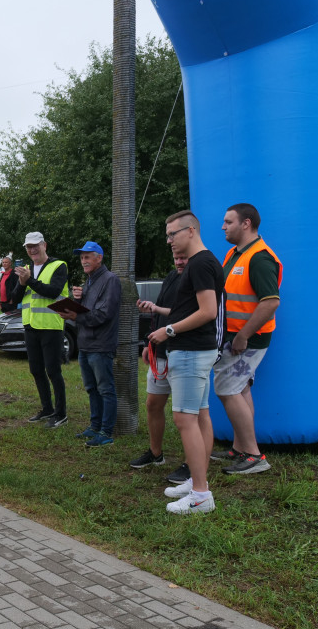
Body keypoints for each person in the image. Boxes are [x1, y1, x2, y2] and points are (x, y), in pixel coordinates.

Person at [147, 210, 225, 515]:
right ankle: (197, 479)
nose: (169, 241)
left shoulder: (202, 263)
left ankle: (201, 494)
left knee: (185, 420)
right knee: (200, 415)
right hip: (193, 351)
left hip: (191, 352)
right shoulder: (198, 263)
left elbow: (208, 311)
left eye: (172, 234)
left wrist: (168, 331)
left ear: (191, 231)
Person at [212, 203, 281, 475]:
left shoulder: (260, 258)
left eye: (228, 222)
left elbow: (271, 302)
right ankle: (241, 448)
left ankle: (254, 456)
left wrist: (243, 335)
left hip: (247, 340)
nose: (223, 227)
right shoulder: (234, 253)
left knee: (227, 389)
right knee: (239, 389)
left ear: (246, 223)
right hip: (235, 338)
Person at [58, 241, 121, 447]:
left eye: (88, 256)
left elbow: (104, 314)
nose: (83, 260)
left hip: (101, 345)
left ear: (99, 258)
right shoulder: (89, 281)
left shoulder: (110, 280)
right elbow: (87, 310)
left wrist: (75, 314)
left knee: (105, 389)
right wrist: (77, 299)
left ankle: (106, 431)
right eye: (82, 257)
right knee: (91, 388)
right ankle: (94, 426)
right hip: (85, 344)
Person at [131, 254, 189, 473]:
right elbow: (160, 314)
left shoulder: (197, 278)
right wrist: (149, 342)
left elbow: (189, 314)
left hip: (185, 352)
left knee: (187, 414)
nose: (179, 261)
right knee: (153, 404)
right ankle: (155, 454)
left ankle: (191, 463)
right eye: (175, 258)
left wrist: (155, 308)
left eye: (183, 257)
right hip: (160, 353)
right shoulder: (171, 277)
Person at [10, 232, 70, 430]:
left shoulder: (58, 266)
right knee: (36, 370)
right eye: (28, 247)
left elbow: (53, 291)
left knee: (53, 370)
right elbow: (15, 299)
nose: (32, 250)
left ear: (44, 245)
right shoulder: (24, 270)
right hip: (31, 325)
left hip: (51, 325)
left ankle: (61, 414)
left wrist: (30, 281)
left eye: (35, 245)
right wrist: (21, 283)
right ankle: (47, 409)